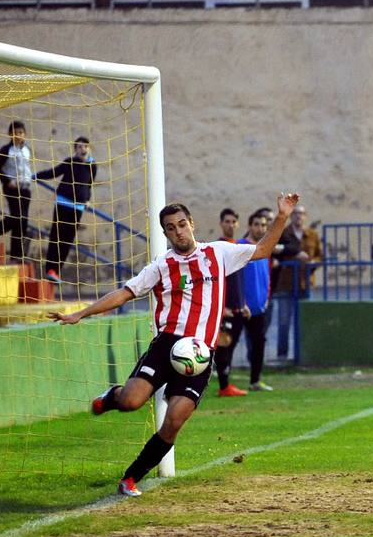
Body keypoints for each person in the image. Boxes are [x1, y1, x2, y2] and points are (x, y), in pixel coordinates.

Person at [50, 192, 299, 497]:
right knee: (131, 402)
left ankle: (131, 478)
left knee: (174, 421)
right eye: (171, 228)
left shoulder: (219, 253)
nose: (178, 231)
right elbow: (125, 293)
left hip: (200, 354)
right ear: (165, 233)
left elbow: (262, 250)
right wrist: (81, 313)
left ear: (191, 224)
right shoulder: (161, 265)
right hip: (167, 345)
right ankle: (111, 397)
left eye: (182, 224)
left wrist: (283, 215)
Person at [34, 135, 97, 283]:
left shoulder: (92, 165)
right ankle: (50, 269)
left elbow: (89, 184)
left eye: (85, 146)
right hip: (63, 204)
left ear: (89, 148)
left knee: (67, 241)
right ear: (75, 149)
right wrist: (36, 176)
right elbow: (54, 172)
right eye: (80, 146)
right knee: (56, 237)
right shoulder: (70, 162)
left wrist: (87, 200)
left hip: (78, 208)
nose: (83, 149)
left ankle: (56, 272)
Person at [272, 204, 320, 359]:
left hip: (305, 283)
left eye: (301, 214)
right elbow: (275, 253)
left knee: (306, 320)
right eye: (296, 214)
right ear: (291, 216)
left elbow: (320, 255)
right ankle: (282, 356)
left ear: (305, 216)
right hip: (286, 283)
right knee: (284, 322)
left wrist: (313, 263)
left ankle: (306, 355)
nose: (299, 216)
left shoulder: (312, 234)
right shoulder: (284, 233)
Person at [212, 208, 250, 398]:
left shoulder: (237, 246)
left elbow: (238, 280)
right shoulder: (218, 248)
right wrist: (221, 306)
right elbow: (217, 280)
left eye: (233, 221)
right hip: (224, 309)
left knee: (230, 346)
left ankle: (225, 384)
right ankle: (223, 386)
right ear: (221, 223)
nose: (230, 224)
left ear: (237, 224)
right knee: (223, 346)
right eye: (226, 221)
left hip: (238, 308)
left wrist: (243, 304)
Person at [239, 209, 274, 392]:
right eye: (256, 224)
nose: (260, 228)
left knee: (259, 343)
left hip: (259, 308)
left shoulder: (265, 250)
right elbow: (233, 278)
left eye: (263, 225)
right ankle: (221, 381)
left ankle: (255, 381)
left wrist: (266, 297)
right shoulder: (241, 247)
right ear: (249, 226)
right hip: (240, 307)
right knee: (226, 344)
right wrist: (239, 301)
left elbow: (266, 276)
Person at [0, 120, 34, 262]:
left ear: (25, 134)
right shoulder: (6, 150)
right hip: (12, 189)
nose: (18, 135)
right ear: (10, 134)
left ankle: (16, 256)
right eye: (14, 133)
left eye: (20, 133)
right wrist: (8, 181)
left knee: (23, 221)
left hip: (25, 189)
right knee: (16, 217)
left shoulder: (27, 150)